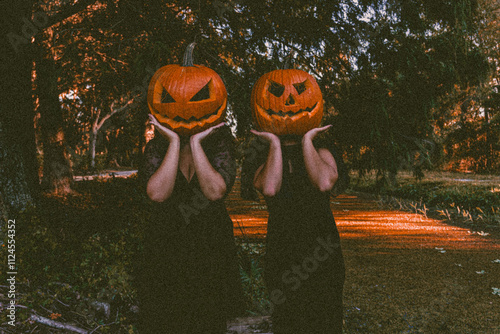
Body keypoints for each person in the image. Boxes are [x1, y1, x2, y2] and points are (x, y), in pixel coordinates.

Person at [136, 114, 243, 333]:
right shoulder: (157, 148)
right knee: (165, 319)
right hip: (167, 243)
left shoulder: (219, 147)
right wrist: (174, 142)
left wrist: (195, 143)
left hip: (210, 243)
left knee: (208, 318)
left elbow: (214, 192)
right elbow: (157, 194)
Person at [241, 125, 348, 333]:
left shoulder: (322, 148)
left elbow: (324, 182)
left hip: (322, 252)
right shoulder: (263, 154)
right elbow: (270, 188)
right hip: (282, 252)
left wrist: (307, 140)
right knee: (288, 321)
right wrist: (274, 143)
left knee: (325, 321)